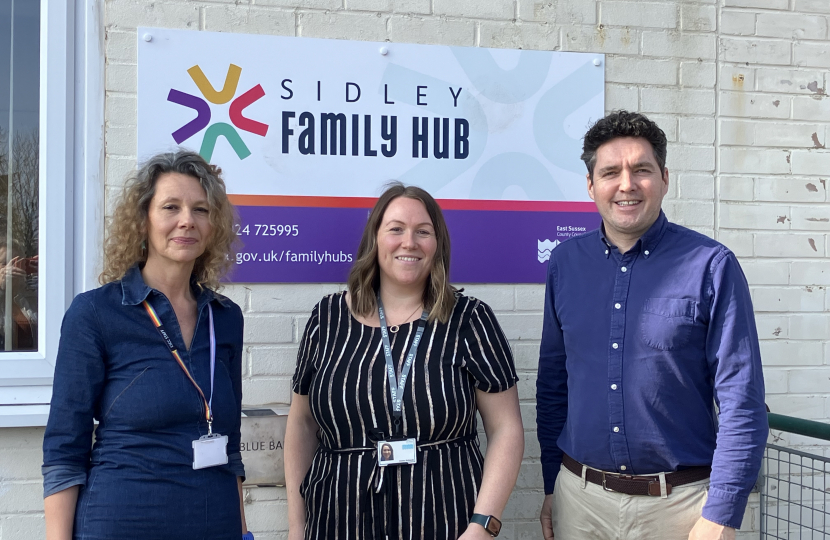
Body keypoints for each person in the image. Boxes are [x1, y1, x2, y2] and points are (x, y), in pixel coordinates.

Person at [536, 111, 768, 540]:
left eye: (641, 170)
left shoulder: (711, 266)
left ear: (663, 177)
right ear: (591, 186)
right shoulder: (564, 266)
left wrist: (721, 513)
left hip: (682, 508)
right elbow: (553, 386)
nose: (626, 184)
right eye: (610, 172)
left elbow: (742, 402)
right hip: (581, 502)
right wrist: (553, 484)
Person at [285, 182, 524, 540]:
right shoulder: (327, 318)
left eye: (422, 232)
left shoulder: (470, 319)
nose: (408, 242)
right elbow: (301, 424)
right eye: (395, 229)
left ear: (437, 244)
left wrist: (482, 526)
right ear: (375, 239)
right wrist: (296, 527)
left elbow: (506, 428)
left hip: (445, 520)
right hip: (338, 520)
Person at [42, 151, 253, 540]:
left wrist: (243, 533)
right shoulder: (95, 313)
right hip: (122, 523)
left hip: (214, 524)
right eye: (170, 207)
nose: (187, 220)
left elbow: (230, 447)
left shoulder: (225, 318)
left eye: (201, 210)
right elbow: (63, 450)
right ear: (143, 222)